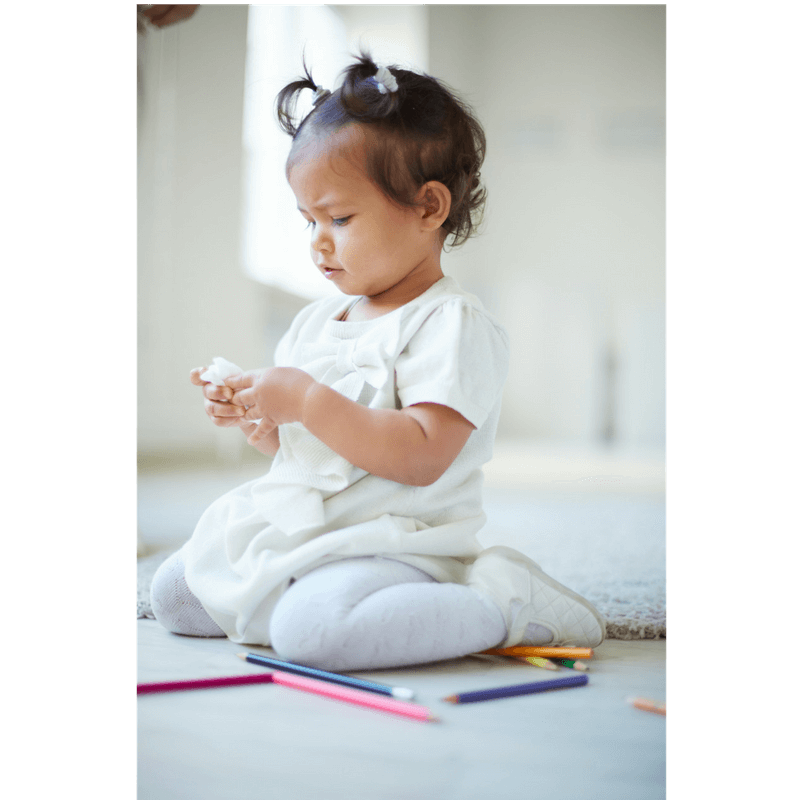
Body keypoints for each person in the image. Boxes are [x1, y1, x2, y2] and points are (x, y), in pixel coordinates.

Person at [150, 51, 605, 671]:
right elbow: (311, 455)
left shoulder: (452, 324)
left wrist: (309, 399)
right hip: (311, 530)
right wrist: (263, 421)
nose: (318, 241)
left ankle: (503, 600)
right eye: (308, 220)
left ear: (427, 208)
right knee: (174, 595)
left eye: (339, 217)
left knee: (312, 634)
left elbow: (419, 457)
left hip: (393, 544)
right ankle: (297, 592)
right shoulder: (318, 321)